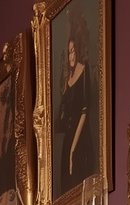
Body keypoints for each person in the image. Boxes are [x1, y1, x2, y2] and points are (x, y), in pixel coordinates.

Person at [55, 24, 94, 194]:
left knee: (77, 176)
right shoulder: (68, 79)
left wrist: (72, 148)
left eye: (73, 50)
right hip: (69, 137)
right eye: (68, 51)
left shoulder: (83, 70)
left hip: (80, 136)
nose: (71, 55)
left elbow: (84, 112)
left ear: (77, 50)